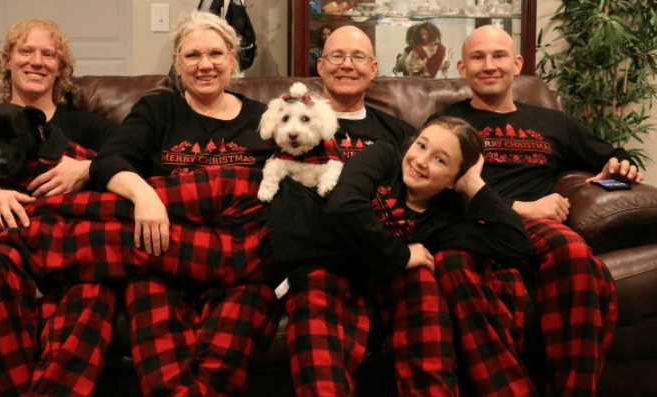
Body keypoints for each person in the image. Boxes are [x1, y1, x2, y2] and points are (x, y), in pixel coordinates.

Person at [429, 24, 635, 396]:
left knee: (574, 253)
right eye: (477, 57)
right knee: (450, 265)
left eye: (499, 56)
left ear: (517, 63)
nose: (489, 65)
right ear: (461, 68)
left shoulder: (552, 122)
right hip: (471, 224)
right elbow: (432, 188)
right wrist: (520, 207)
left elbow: (619, 166)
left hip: (537, 231)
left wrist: (614, 174)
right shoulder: (448, 125)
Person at [88, 11, 277, 397]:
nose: (205, 65)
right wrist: (144, 195)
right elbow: (108, 161)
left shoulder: (266, 119)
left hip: (240, 263)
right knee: (162, 365)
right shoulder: (159, 110)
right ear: (176, 62)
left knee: (224, 361)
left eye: (216, 54)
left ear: (233, 58)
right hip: (162, 255)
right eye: (192, 56)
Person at [0, 18, 117, 397]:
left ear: (60, 68)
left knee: (97, 283)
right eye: (25, 51)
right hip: (0, 241)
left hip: (71, 246)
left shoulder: (88, 126)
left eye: (49, 54)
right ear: (8, 61)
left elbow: (127, 164)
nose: (37, 61)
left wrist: (86, 167)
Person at [325, 116, 533, 397]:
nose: (421, 161)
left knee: (424, 293)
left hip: (395, 290)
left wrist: (474, 185)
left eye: (440, 161)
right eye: (421, 146)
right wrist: (400, 254)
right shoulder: (384, 157)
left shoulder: (445, 222)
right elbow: (343, 207)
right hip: (338, 269)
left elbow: (517, 245)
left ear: (454, 180)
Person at [272, 25, 418, 397]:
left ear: (374, 68)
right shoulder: (290, 124)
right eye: (336, 56)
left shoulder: (398, 133)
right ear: (320, 66)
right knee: (316, 333)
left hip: (385, 258)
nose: (346, 65)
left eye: (358, 58)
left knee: (425, 301)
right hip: (319, 262)